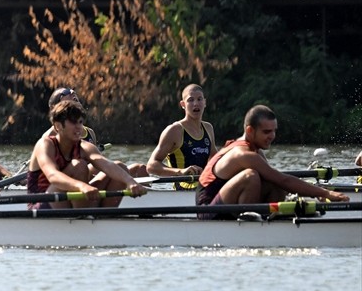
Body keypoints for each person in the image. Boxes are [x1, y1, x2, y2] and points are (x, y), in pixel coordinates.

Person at [197, 105, 348, 216]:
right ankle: (249, 223)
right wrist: (326, 193)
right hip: (208, 210)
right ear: (250, 130)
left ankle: (272, 219)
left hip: (227, 202)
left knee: (272, 181)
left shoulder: (256, 151)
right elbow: (284, 180)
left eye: (274, 130)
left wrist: (315, 194)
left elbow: (279, 180)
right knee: (251, 176)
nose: (272, 136)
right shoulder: (242, 154)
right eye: (266, 132)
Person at [26, 98, 147, 208]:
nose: (79, 127)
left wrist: (130, 181)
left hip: (71, 200)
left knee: (120, 167)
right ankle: (85, 217)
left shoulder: (84, 147)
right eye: (73, 122)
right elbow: (53, 176)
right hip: (41, 202)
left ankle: (103, 219)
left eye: (80, 122)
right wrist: (82, 186)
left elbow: (107, 165)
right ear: (58, 126)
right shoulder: (45, 144)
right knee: (79, 166)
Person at [42, 87, 149, 177]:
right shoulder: (49, 136)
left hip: (90, 176)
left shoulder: (90, 132)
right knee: (113, 167)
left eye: (72, 90)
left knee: (140, 169)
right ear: (55, 107)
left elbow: (97, 162)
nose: (72, 92)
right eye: (65, 93)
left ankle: (141, 196)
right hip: (69, 179)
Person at [146, 84, 216, 179]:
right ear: (183, 105)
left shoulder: (208, 128)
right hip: (182, 189)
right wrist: (181, 172)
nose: (196, 103)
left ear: (205, 102)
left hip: (202, 187)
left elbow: (215, 158)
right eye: (191, 100)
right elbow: (151, 166)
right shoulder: (174, 131)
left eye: (199, 99)